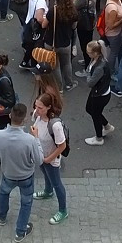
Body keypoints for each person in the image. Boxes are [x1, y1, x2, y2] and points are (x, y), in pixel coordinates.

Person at [0, 102, 45, 242]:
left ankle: (1, 216)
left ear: (10, 115)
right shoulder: (30, 140)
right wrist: (37, 138)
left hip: (8, 174)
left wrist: (3, 166)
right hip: (26, 176)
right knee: (26, 202)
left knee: (3, 192)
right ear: (25, 119)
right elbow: (39, 160)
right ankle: (20, 231)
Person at [31, 91, 69, 226]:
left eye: (40, 107)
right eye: (36, 106)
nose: (37, 110)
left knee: (57, 183)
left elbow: (62, 146)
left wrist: (48, 159)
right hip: (41, 155)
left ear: (48, 107)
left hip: (50, 158)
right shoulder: (38, 116)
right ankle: (47, 191)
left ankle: (63, 210)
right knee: (45, 174)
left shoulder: (55, 125)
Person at [82, 40, 114, 146]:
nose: (88, 54)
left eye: (89, 52)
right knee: (90, 109)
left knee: (95, 114)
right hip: (98, 92)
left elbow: (90, 82)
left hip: (100, 95)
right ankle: (107, 126)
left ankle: (99, 138)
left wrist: (87, 73)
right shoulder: (96, 59)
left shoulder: (100, 67)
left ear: (96, 53)